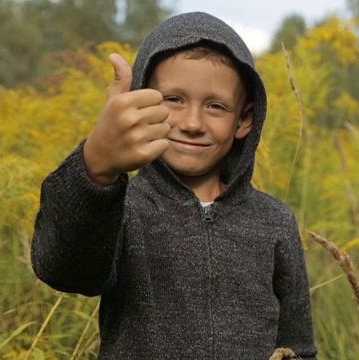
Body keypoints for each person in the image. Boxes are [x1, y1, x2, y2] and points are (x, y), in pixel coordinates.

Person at [31, 12, 317, 359]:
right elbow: (64, 271)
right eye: (174, 100)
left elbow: (297, 348)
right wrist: (95, 168)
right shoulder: (122, 208)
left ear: (244, 120)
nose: (192, 123)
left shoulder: (274, 221)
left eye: (215, 106)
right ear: (140, 102)